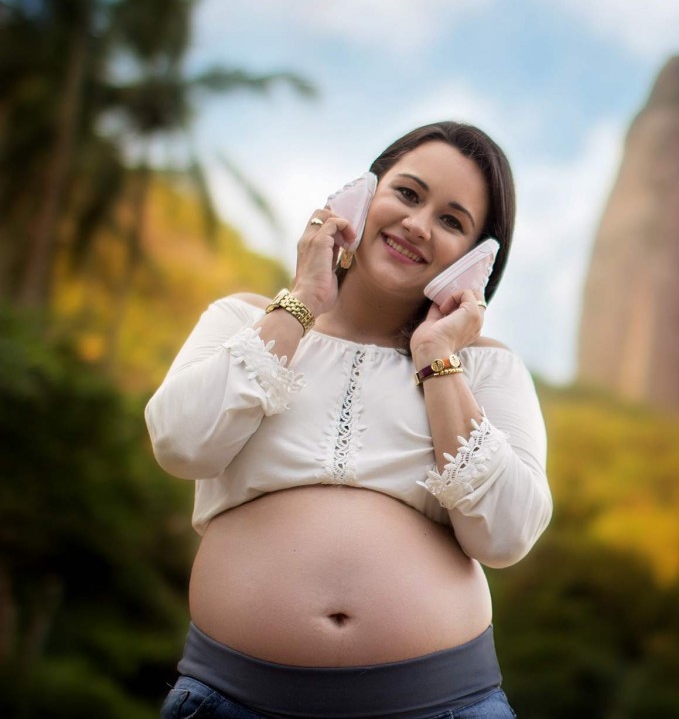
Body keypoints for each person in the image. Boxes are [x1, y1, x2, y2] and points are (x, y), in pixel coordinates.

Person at [145, 121, 552, 719]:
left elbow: (506, 536)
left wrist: (438, 359)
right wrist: (303, 301)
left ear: (476, 259)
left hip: (443, 707)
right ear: (362, 194)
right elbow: (181, 445)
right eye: (408, 194)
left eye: (451, 220)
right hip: (229, 701)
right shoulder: (242, 322)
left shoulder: (486, 371)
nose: (417, 224)